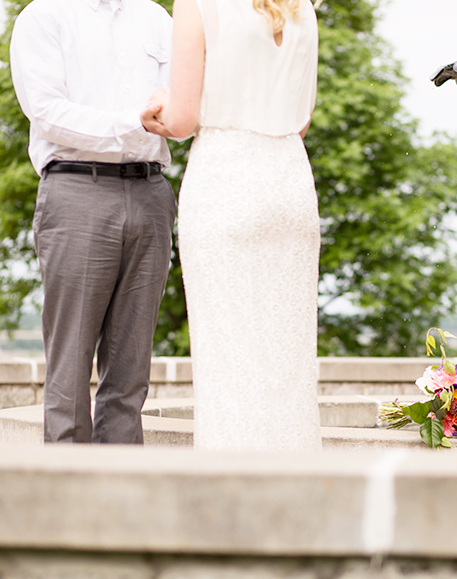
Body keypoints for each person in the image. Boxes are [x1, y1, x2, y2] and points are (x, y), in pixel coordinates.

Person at [148, 0, 322, 451]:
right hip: (289, 180)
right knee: (289, 356)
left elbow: (182, 119)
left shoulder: (197, 4)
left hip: (226, 177)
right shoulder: (303, 7)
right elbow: (301, 120)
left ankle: (233, 487)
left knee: (228, 354)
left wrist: (152, 112)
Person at [10, 0, 177, 443]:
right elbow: (47, 112)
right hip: (77, 188)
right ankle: (68, 498)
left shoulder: (158, 18)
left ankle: (121, 497)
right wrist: (132, 121)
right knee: (70, 364)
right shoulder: (44, 17)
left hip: (151, 192)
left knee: (131, 370)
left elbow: (178, 108)